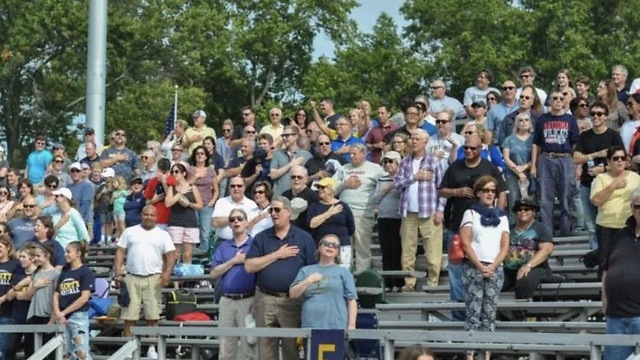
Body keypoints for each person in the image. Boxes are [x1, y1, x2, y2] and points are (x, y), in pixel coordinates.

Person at [439, 134, 506, 321]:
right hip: (458, 225)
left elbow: (502, 191)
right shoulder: (455, 167)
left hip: (485, 228)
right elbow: (441, 190)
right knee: (456, 271)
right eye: (466, 148)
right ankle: (460, 314)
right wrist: (456, 192)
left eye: (473, 148)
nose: (468, 151)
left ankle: (482, 314)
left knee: (482, 268)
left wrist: (499, 215)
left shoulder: (489, 167)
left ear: (480, 149)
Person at [245, 196, 317, 360]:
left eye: (277, 209)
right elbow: (249, 266)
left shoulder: (303, 238)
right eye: (271, 210)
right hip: (265, 299)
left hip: (292, 301)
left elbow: (312, 269)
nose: (273, 213)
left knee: (292, 349)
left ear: (289, 212)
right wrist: (277, 255)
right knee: (265, 350)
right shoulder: (261, 238)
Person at [114, 206, 176, 357]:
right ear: (141, 215)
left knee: (153, 315)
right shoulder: (130, 232)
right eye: (146, 214)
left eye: (151, 215)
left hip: (154, 278)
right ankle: (129, 348)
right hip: (131, 277)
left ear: (156, 217)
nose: (148, 217)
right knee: (129, 316)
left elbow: (171, 255)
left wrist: (167, 274)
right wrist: (117, 272)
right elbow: (120, 251)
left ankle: (151, 348)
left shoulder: (163, 235)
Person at [459, 176, 509, 360]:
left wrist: (493, 266)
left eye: (493, 190)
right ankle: (470, 356)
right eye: (486, 190)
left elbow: (505, 246)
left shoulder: (502, 217)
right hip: (474, 267)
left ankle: (487, 355)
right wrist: (480, 266)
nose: (489, 194)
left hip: (495, 268)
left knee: (489, 313)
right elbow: (466, 243)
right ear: (478, 193)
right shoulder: (470, 213)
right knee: (473, 314)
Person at [394, 129, 446, 290]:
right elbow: (397, 184)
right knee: (407, 252)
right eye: (411, 139)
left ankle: (432, 282)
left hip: (429, 212)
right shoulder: (404, 162)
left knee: (432, 251)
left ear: (425, 142)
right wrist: (414, 178)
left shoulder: (435, 161)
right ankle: (409, 283)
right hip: (408, 212)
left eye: (417, 139)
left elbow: (443, 188)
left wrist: (440, 210)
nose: (413, 141)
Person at [574, 102, 624, 249]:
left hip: (609, 183)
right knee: (591, 225)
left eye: (599, 114)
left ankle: (612, 255)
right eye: (593, 113)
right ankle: (597, 256)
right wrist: (595, 155)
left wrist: (602, 170)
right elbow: (576, 158)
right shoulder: (584, 136)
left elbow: (622, 161)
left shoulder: (614, 136)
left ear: (606, 117)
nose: (595, 116)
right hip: (587, 183)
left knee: (610, 221)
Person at [531, 90, 580, 236]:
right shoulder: (542, 119)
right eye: (555, 98)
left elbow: (576, 144)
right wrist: (534, 164)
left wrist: (577, 165)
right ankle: (547, 233)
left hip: (565, 158)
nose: (558, 100)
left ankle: (565, 232)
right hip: (546, 158)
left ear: (564, 101)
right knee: (546, 199)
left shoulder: (570, 120)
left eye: (561, 98)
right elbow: (536, 143)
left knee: (566, 197)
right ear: (549, 101)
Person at [210, 208, 257, 360]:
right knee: (226, 346)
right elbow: (213, 273)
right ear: (229, 225)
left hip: (248, 300)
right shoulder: (223, 247)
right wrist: (233, 261)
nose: (236, 221)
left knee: (249, 345)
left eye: (239, 218)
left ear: (246, 222)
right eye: (232, 219)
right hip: (227, 301)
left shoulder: (255, 245)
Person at [289, 234, 357, 334]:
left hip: (336, 326)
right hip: (310, 326)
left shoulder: (344, 272)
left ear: (337, 251)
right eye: (326, 244)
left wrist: (351, 325)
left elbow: (352, 300)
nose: (330, 247)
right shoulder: (306, 270)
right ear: (319, 247)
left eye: (334, 245)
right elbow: (293, 294)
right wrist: (308, 280)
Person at [333, 143, 384, 274]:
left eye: (354, 154)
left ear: (364, 154)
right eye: (350, 154)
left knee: (362, 247)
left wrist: (377, 202)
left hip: (363, 214)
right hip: (343, 214)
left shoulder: (375, 169)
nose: (351, 156)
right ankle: (345, 275)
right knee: (345, 247)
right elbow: (330, 188)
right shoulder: (344, 168)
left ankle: (363, 276)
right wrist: (344, 184)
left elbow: (385, 184)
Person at [601, 188, 640, 360]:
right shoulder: (620, 235)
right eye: (638, 206)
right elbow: (607, 268)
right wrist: (604, 299)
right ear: (632, 209)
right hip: (615, 317)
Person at [591, 146, 640, 276]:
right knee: (605, 263)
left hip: (630, 226)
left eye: (623, 158)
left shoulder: (635, 178)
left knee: (631, 261)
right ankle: (605, 294)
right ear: (608, 161)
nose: (619, 161)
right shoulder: (601, 178)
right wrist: (613, 186)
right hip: (606, 226)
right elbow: (596, 201)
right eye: (615, 158)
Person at [502, 199, 554, 303]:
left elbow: (547, 249)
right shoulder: (508, 228)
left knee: (524, 282)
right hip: (508, 269)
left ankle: (520, 315)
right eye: (519, 209)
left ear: (533, 212)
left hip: (535, 268)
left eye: (527, 209)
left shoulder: (540, 228)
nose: (522, 211)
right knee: (493, 281)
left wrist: (528, 265)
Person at [52, 241, 95, 360]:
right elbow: (56, 294)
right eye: (65, 251)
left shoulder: (86, 272)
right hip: (63, 318)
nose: (65, 254)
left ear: (78, 254)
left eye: (68, 252)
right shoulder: (64, 272)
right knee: (65, 354)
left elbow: (84, 298)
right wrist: (58, 313)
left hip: (78, 317)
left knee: (81, 352)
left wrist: (63, 312)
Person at [307, 177, 354, 268]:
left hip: (342, 246)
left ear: (331, 189)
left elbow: (351, 228)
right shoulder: (314, 206)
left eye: (322, 187)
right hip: (321, 246)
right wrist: (329, 213)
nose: (319, 189)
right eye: (318, 187)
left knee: (342, 272)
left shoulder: (343, 206)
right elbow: (312, 224)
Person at [23, 243, 60, 359]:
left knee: (48, 352)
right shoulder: (36, 273)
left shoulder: (56, 274)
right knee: (30, 351)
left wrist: (53, 319)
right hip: (33, 314)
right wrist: (35, 285)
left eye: (38, 256)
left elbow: (57, 298)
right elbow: (27, 296)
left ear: (47, 255)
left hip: (47, 315)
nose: (36, 259)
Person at [3, 243, 39, 360]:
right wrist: (21, 284)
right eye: (20, 257)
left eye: (24, 257)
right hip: (17, 317)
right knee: (9, 350)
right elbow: (9, 296)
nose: (21, 259)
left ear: (32, 258)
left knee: (31, 353)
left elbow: (30, 296)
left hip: (32, 318)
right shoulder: (18, 274)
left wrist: (23, 294)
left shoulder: (39, 274)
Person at [374, 151, 403, 291]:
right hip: (383, 217)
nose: (387, 164)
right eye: (385, 162)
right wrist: (386, 190)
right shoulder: (381, 179)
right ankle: (387, 283)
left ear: (398, 163)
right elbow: (376, 199)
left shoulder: (403, 178)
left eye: (391, 161)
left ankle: (398, 282)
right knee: (386, 251)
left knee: (396, 251)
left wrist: (394, 185)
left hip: (398, 218)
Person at [165, 162, 202, 265]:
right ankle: (175, 280)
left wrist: (189, 204)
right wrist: (180, 193)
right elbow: (167, 203)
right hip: (175, 222)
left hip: (190, 222)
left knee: (187, 254)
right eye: (172, 172)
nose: (174, 174)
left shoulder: (193, 188)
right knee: (175, 254)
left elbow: (200, 205)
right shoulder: (171, 188)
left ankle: (186, 279)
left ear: (184, 173)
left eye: (176, 172)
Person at [502, 113, 534, 216]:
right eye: (520, 120)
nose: (523, 122)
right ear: (516, 123)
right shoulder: (509, 139)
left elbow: (537, 157)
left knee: (531, 201)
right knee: (513, 201)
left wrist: (524, 167)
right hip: (512, 174)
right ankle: (513, 227)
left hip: (530, 174)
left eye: (526, 120)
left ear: (530, 123)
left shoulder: (534, 139)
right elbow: (506, 158)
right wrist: (517, 171)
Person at [189, 146, 219, 252]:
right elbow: (187, 185)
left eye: (202, 153)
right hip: (193, 204)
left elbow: (216, 189)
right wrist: (196, 176)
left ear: (206, 156)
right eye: (197, 153)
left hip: (206, 204)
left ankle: (204, 254)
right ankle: (193, 253)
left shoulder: (211, 171)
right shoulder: (190, 169)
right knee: (193, 230)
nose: (200, 155)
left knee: (205, 231)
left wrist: (212, 202)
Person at [211, 176, 259, 243]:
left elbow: (253, 225)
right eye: (233, 186)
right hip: (223, 242)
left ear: (244, 187)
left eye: (239, 186)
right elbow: (215, 222)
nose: (236, 188)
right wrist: (239, 220)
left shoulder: (252, 204)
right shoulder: (221, 202)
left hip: (245, 243)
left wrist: (228, 220)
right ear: (229, 188)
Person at [269, 126, 313, 196]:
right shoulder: (277, 154)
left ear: (295, 137)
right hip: (279, 196)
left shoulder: (306, 155)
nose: (284, 138)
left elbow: (310, 178)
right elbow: (273, 175)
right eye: (283, 136)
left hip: (299, 197)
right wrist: (291, 164)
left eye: (287, 136)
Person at [282, 166, 318, 232]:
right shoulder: (285, 195)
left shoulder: (313, 196)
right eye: (293, 177)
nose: (296, 179)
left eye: (299, 177)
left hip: (305, 233)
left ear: (306, 179)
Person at [0, 236, 19, 358]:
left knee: (3, 348)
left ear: (8, 248)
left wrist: (3, 298)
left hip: (7, 312)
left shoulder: (15, 265)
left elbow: (17, 286)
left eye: (0, 247)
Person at [143, 159, 171, 231]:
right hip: (156, 220)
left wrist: (164, 182)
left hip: (171, 221)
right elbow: (146, 202)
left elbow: (170, 197)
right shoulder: (152, 181)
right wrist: (154, 200)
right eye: (160, 170)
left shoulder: (173, 180)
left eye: (164, 172)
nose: (162, 174)